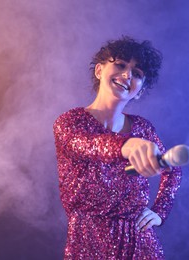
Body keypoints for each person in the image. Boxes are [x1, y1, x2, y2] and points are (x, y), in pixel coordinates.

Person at [53, 36, 182, 259]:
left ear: (140, 90)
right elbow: (88, 145)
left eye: (137, 73)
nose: (127, 74)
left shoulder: (143, 128)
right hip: (88, 241)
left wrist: (160, 212)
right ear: (99, 70)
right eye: (121, 65)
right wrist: (126, 145)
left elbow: (173, 168)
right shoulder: (68, 123)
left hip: (140, 241)